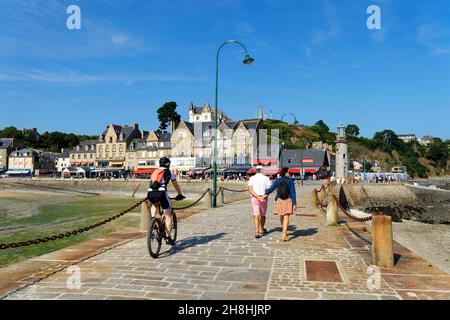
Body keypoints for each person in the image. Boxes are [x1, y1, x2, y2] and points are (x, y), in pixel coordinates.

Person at [147, 157, 185, 245]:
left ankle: (154, 222)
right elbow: (175, 184)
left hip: (150, 192)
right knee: (168, 215)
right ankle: (168, 238)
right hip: (162, 193)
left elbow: (151, 182)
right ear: (168, 165)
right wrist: (179, 194)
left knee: (154, 205)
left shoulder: (155, 171)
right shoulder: (169, 172)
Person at [265, 167, 297, 241]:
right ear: (285, 172)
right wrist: (294, 203)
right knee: (286, 217)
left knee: (281, 216)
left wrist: (264, 192)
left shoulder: (277, 180)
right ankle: (284, 234)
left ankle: (283, 229)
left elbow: (271, 189)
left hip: (279, 200)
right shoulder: (290, 181)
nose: (290, 173)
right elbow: (293, 192)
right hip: (288, 200)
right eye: (289, 172)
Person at [248, 166, 272, 239]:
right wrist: (264, 196)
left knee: (256, 215)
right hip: (264, 197)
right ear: (262, 171)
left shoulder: (252, 178)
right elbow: (269, 189)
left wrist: (257, 197)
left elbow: (250, 189)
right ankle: (262, 228)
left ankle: (257, 232)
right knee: (263, 215)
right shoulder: (266, 178)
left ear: (256, 170)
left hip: (255, 197)